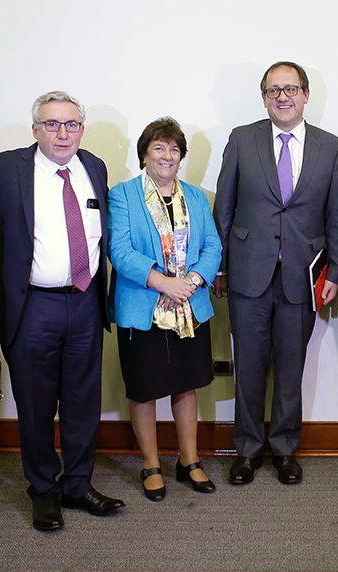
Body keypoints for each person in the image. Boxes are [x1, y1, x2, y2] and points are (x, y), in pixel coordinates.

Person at [0, 90, 124, 532]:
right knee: (36, 404)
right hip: (33, 305)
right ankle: (43, 490)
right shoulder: (3, 170)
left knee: (83, 402)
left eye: (71, 124)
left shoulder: (94, 167)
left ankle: (78, 485)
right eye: (51, 124)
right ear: (35, 129)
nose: (62, 133)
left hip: (84, 302)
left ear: (82, 129)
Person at [214, 60, 338, 485]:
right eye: (274, 90)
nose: (283, 97)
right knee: (249, 368)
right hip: (247, 274)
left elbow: (335, 216)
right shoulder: (242, 139)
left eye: (290, 89)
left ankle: (286, 450)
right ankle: (247, 450)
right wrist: (220, 267)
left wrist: (336, 272)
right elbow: (224, 208)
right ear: (264, 98)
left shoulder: (331, 147)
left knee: (291, 369)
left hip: (303, 277)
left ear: (306, 95)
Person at [108, 117, 223, 501]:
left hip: (190, 304)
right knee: (144, 388)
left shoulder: (196, 197)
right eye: (158, 147)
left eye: (174, 149)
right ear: (144, 154)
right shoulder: (123, 195)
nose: (167, 155)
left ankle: (189, 460)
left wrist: (192, 281)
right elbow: (120, 251)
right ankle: (151, 463)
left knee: (186, 384)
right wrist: (164, 283)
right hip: (142, 307)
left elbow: (213, 247)